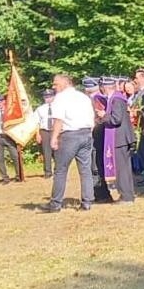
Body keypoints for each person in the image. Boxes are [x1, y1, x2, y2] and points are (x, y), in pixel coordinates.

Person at [45, 72, 97, 212]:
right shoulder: (83, 97)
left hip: (70, 136)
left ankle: (55, 204)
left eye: (56, 84)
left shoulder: (61, 98)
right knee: (85, 170)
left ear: (65, 83)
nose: (53, 86)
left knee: (60, 170)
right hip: (86, 133)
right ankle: (87, 201)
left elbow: (58, 120)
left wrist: (54, 138)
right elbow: (91, 118)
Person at [101, 77, 136, 202]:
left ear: (105, 88)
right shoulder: (116, 98)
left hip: (119, 138)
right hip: (120, 137)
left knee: (122, 169)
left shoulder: (116, 99)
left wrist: (104, 116)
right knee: (123, 168)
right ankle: (127, 194)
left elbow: (116, 119)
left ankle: (126, 196)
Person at [35, 89, 56, 177]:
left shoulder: (59, 107)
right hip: (45, 131)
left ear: (53, 96)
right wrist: (37, 134)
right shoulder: (40, 109)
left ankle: (58, 171)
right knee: (46, 152)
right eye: (46, 97)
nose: (48, 98)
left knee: (57, 151)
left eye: (50, 96)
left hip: (56, 131)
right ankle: (47, 172)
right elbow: (37, 122)